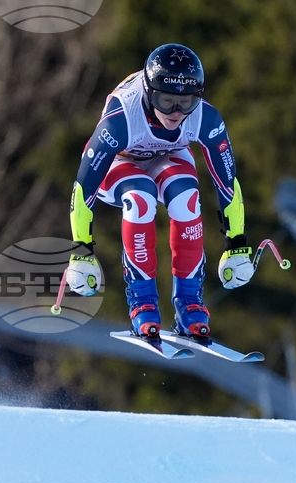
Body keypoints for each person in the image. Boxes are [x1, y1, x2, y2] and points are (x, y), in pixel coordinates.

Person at [65, 43, 253, 339]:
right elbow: (84, 186)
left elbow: (227, 182)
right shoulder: (122, 116)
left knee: (186, 196)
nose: (177, 112)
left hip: (168, 156)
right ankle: (142, 305)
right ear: (149, 93)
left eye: (186, 102)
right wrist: (81, 251)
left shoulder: (206, 117)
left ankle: (190, 304)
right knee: (141, 196)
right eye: (166, 102)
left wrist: (237, 243)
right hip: (119, 161)